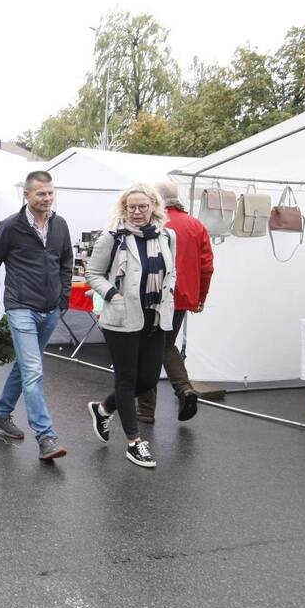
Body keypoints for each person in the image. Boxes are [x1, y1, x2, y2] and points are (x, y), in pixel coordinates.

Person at [85, 183, 177, 469]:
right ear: (124, 209)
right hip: (121, 317)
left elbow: (170, 272)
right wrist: (113, 295)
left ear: (154, 207)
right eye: (131, 207)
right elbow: (93, 273)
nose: (137, 212)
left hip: (155, 315)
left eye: (143, 206)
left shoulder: (167, 236)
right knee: (126, 379)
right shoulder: (112, 237)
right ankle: (134, 443)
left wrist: (168, 293)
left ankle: (103, 409)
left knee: (148, 379)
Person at [0, 170, 71, 460]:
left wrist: (63, 297)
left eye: (50, 193)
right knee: (33, 370)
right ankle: (46, 436)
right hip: (21, 306)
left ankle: (2, 412)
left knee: (26, 366)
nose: (47, 198)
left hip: (51, 309)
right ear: (27, 194)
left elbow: (66, 262)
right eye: (41, 194)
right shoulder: (11, 227)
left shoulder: (60, 225)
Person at [135, 180, 213, 423]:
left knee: (146, 349)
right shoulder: (196, 225)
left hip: (152, 294)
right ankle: (184, 390)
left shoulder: (152, 223)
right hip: (182, 297)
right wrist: (200, 297)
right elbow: (207, 267)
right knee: (167, 344)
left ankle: (146, 410)